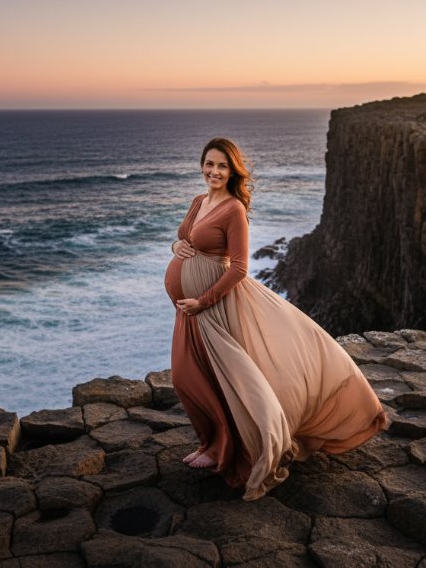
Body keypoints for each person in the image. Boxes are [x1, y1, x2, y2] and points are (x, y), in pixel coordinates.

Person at [163, 137, 391, 501]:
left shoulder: (233, 210)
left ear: (232, 170)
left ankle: (222, 449)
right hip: (188, 308)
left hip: (213, 307)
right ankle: (210, 443)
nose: (214, 171)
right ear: (201, 165)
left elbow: (238, 268)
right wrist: (178, 248)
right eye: (209, 164)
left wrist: (203, 301)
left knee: (221, 379)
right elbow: (183, 238)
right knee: (192, 376)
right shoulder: (199, 201)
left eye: (222, 166)